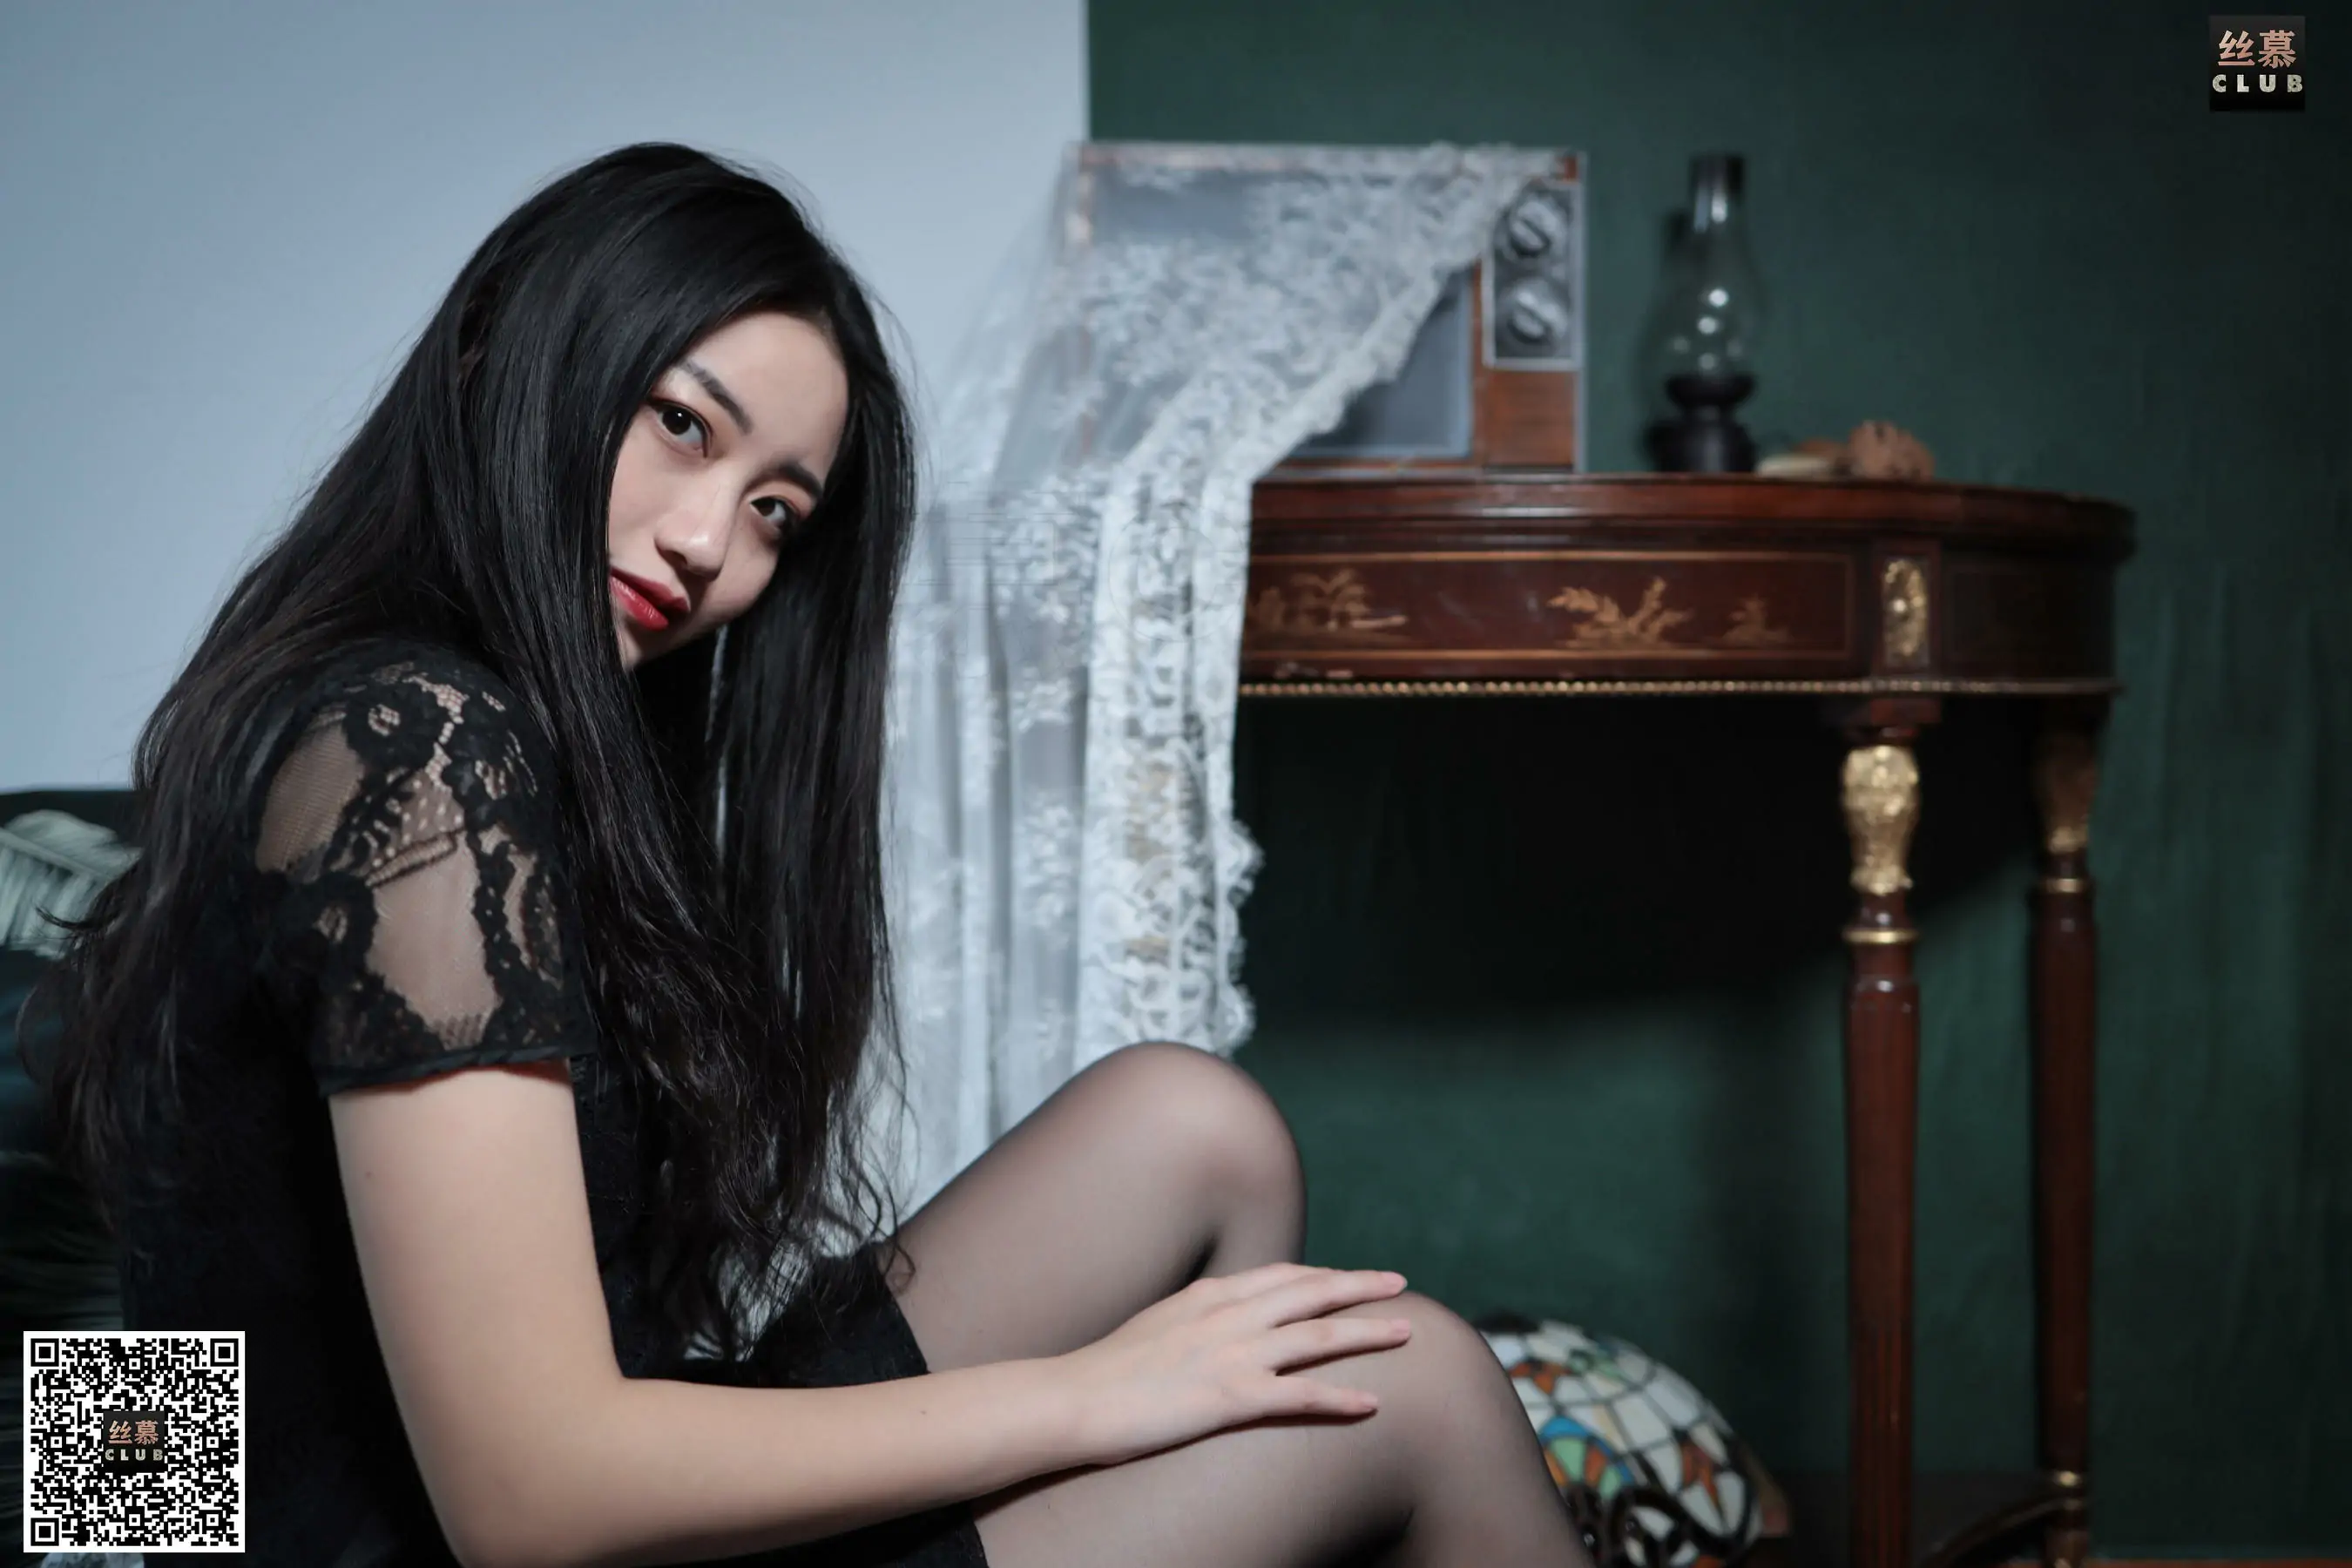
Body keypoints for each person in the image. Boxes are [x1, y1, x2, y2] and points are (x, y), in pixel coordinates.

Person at [23, 143, 1594, 1568]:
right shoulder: (415, 746)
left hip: (557, 1472)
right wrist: (1100, 1399)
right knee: (1419, 1393)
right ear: (504, 353)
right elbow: (526, 1498)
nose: (711, 544)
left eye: (776, 510)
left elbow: (203, 1280)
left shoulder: (387, 714)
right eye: (681, 425)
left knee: (1195, 1127)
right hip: (520, 1520)